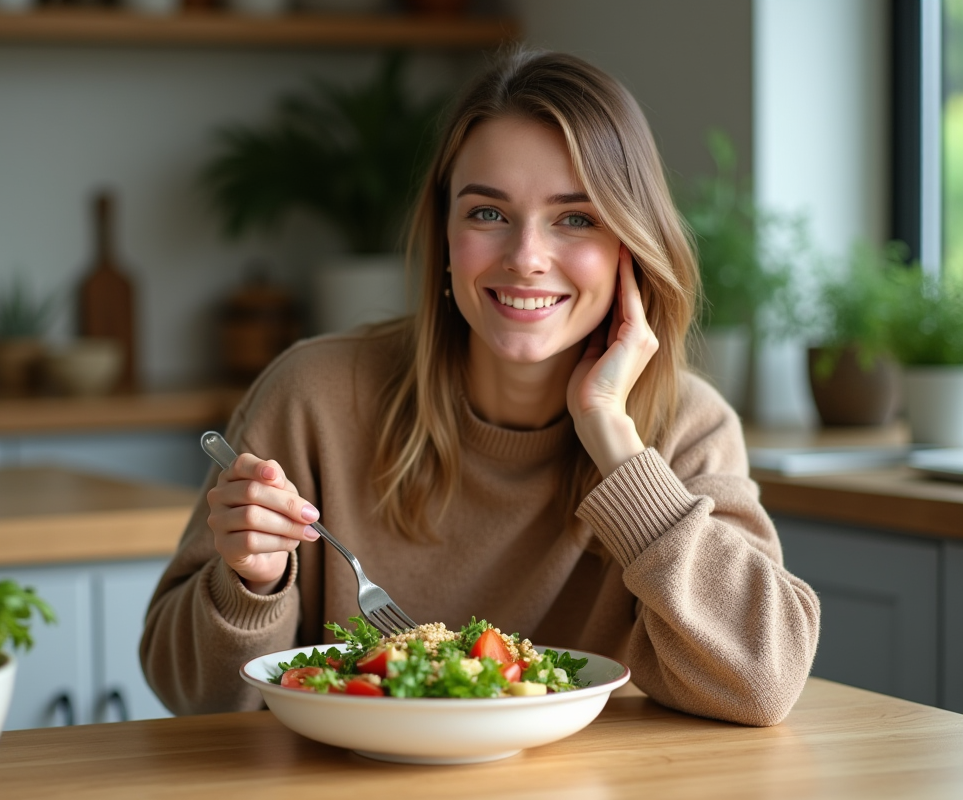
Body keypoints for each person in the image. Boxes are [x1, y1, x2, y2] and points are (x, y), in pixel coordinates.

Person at [140, 49, 820, 727]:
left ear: (631, 248)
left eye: (576, 218)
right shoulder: (312, 397)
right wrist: (252, 583)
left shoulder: (689, 428)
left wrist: (612, 436)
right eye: (488, 213)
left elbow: (763, 682)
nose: (526, 258)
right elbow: (191, 695)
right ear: (445, 234)